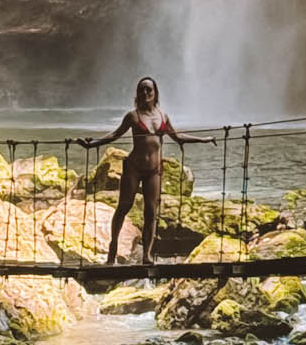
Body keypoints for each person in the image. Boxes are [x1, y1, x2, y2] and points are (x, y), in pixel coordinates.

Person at [80, 76, 215, 265]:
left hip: (154, 170)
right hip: (134, 168)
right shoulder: (133, 116)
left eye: (149, 90)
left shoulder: (163, 116)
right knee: (124, 207)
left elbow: (178, 137)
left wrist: (204, 139)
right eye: (142, 90)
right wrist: (93, 144)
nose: (145, 93)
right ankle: (112, 250)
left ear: (155, 93)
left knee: (151, 212)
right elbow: (115, 134)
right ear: (137, 94)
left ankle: (147, 256)